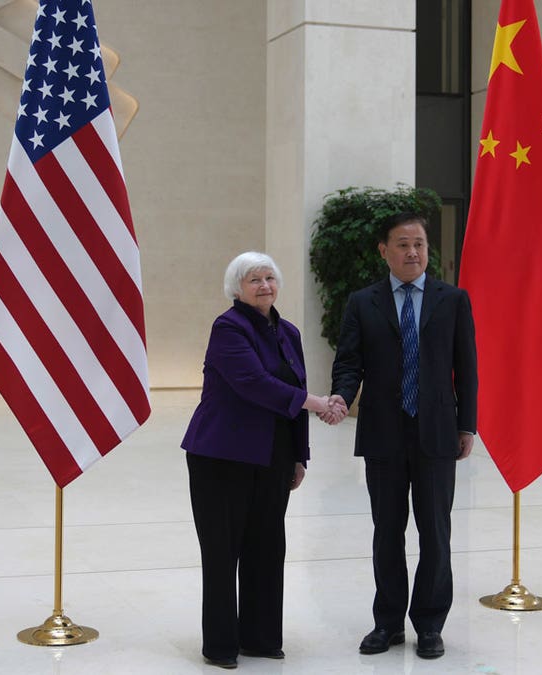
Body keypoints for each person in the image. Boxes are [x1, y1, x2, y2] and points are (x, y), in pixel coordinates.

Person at [326, 212, 478, 660]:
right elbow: (349, 361)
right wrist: (340, 396)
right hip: (383, 433)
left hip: (435, 432)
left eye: (420, 244)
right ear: (383, 250)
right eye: (403, 244)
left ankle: (430, 624)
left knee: (435, 530)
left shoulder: (452, 300)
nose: (413, 252)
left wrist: (466, 423)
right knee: (386, 530)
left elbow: (466, 368)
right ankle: (388, 622)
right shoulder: (362, 302)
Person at [181, 251, 335, 670]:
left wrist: (299, 456)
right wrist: (317, 403)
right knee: (222, 551)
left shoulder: (288, 331)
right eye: (254, 279)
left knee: (267, 548)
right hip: (221, 456)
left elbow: (294, 388)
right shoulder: (228, 327)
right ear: (237, 288)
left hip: (272, 457)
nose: (264, 285)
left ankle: (261, 637)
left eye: (270, 277)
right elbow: (254, 384)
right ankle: (220, 645)